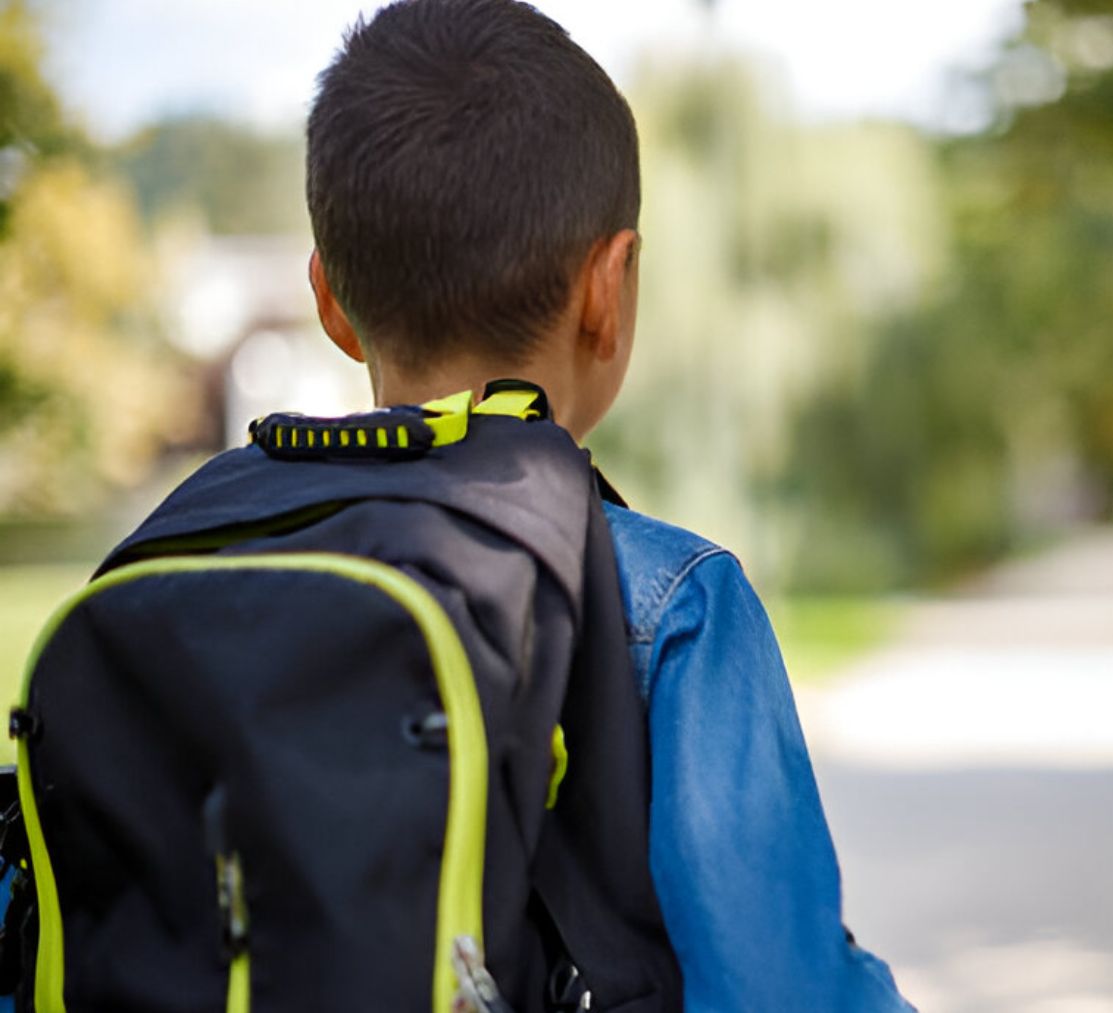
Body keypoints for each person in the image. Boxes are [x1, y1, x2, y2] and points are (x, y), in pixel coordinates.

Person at [303, 1, 913, 1009]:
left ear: (331, 301)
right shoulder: (667, 600)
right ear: (610, 286)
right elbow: (777, 984)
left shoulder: (168, 573)